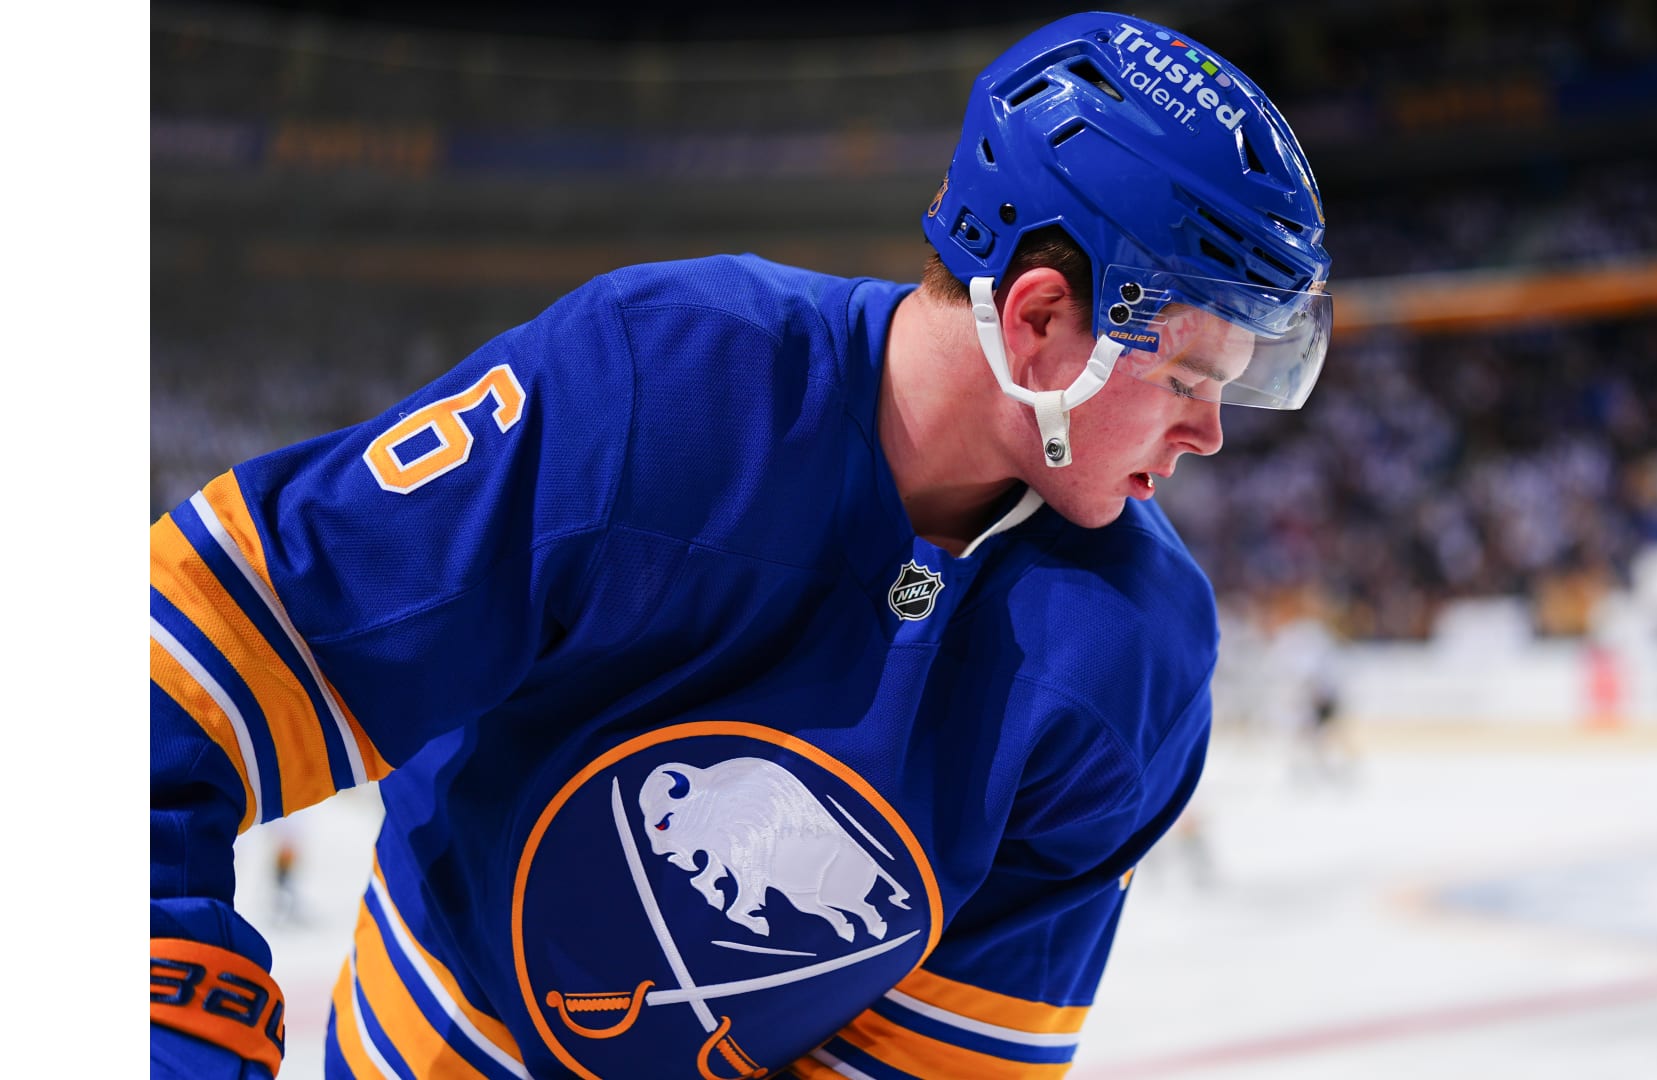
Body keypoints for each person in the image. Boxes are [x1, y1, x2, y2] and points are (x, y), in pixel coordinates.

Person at [149, 12, 1332, 1078]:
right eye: (1189, 378)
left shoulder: (1139, 659)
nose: (1211, 433)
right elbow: (179, 662)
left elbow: (939, 1059)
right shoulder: (654, 388)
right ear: (1037, 322)